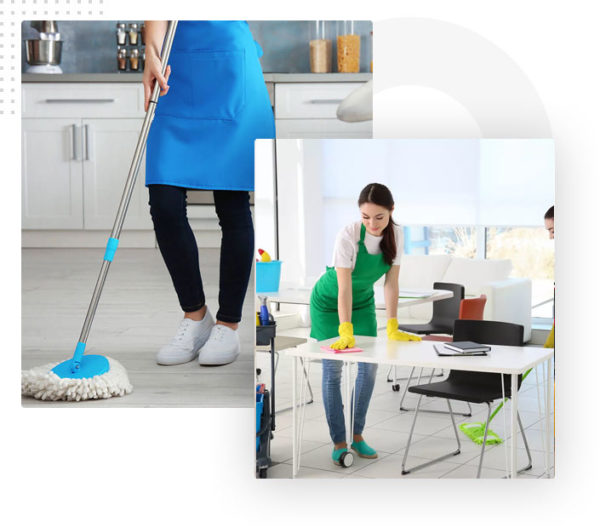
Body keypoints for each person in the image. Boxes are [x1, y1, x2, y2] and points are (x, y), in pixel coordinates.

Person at [143, 21, 275, 366]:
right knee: (164, 204)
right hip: (177, 71)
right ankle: (196, 317)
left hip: (231, 72)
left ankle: (228, 326)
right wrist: (151, 52)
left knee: (232, 206)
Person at [309, 183, 421, 465]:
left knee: (368, 370)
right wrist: (344, 329)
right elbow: (343, 286)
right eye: (365, 217)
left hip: (362, 303)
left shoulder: (396, 234)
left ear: (391, 211)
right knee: (332, 371)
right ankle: (339, 441)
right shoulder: (347, 235)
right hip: (328, 302)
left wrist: (393, 324)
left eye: (379, 217)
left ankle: (357, 436)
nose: (372, 224)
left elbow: (391, 283)